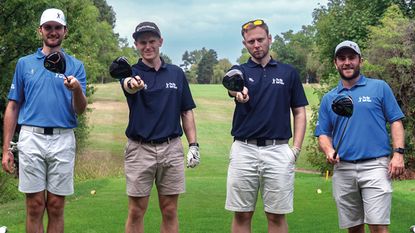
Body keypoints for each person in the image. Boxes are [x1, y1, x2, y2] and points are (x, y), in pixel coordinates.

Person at [1, 8, 87, 233]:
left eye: (57, 27)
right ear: (40, 30)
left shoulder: (76, 66)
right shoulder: (25, 63)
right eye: (48, 27)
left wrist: (76, 89)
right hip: (31, 137)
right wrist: (6, 150)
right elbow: (13, 106)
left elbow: (80, 109)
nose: (53, 31)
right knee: (35, 205)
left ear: (65, 31)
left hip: (63, 138)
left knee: (56, 205)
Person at [224, 19, 308, 233]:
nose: (256, 45)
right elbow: (233, 84)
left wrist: (295, 149)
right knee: (242, 213)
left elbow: (299, 112)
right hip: (244, 149)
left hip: (278, 150)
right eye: (251, 41)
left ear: (269, 39)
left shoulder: (287, 73)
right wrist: (238, 93)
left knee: (276, 216)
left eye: (260, 39)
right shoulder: (239, 70)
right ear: (245, 44)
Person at [315, 40, 405, 233]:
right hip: (344, 168)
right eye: (342, 58)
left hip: (375, 166)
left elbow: (396, 121)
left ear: (360, 61)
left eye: (351, 58)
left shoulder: (379, 87)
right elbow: (323, 133)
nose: (347, 62)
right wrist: (329, 149)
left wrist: (398, 154)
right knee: (354, 228)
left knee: (378, 226)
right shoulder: (329, 98)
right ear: (335, 63)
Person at [121, 21, 200, 233]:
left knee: (170, 210)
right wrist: (133, 84)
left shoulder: (176, 73)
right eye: (143, 42)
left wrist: (193, 145)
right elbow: (128, 85)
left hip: (171, 148)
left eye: (152, 41)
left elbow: (186, 111)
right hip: (139, 149)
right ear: (136, 45)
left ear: (160, 42)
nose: (148, 46)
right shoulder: (131, 72)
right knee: (137, 210)